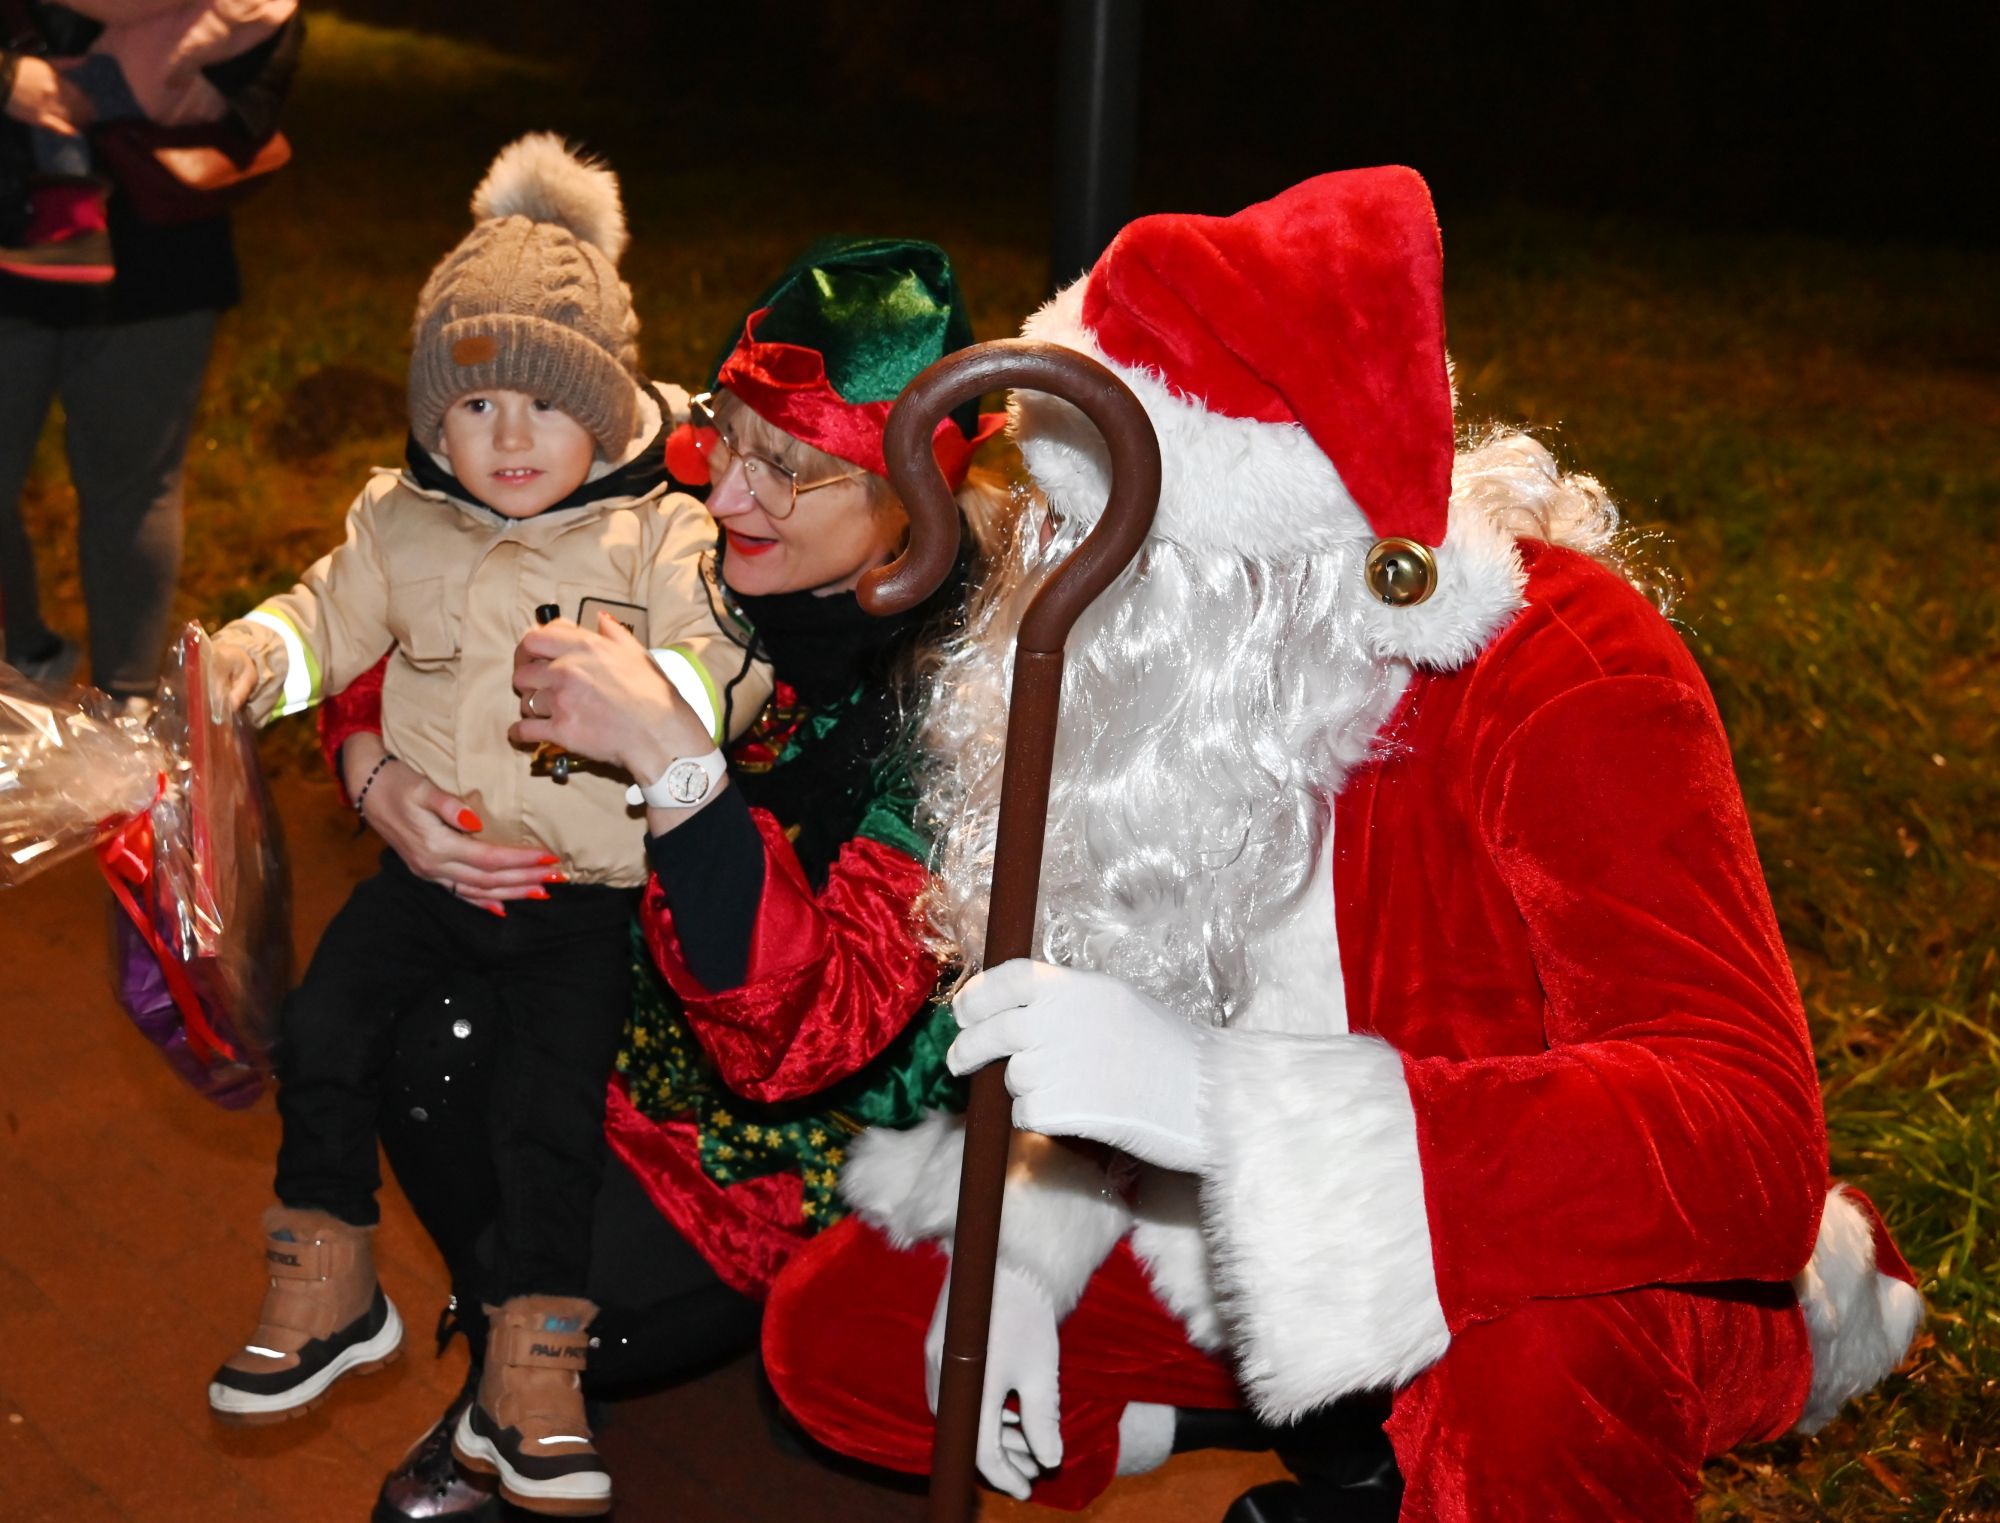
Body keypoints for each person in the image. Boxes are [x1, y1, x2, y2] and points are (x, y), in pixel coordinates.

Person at [760, 167, 1925, 1522]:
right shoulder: (1163, 698)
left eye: (1114, 541)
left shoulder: (1568, 669)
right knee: (852, 1328)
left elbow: (1743, 1140)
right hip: (1247, 1227)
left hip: (1560, 1254)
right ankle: (1328, 1429)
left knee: (1535, 1380)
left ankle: (1407, 1443)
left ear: (1259, 538)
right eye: (1058, 523)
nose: (1065, 585)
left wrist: (1215, 1100)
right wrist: (1028, 1240)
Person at [315, 237, 1029, 1523]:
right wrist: (372, 765)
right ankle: (518, 1365)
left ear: (912, 492)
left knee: (588, 1294)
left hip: (814, 1129)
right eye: (724, 440)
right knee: (411, 1020)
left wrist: (675, 758)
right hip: (626, 1004)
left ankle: (543, 1362)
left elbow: (804, 1039)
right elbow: (419, 580)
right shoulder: (689, 537)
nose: (729, 493)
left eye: (788, 469)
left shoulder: (960, 701)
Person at [203, 134, 766, 1517]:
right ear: (431, 419)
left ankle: (533, 1372)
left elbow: (726, 660)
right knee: (321, 1028)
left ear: (608, 411)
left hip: (578, 897)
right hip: (431, 876)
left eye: (546, 403)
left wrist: (659, 697)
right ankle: (328, 1273)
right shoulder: (401, 522)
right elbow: (324, 617)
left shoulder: (661, 534)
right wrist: (255, 659)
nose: (509, 439)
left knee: (543, 1121)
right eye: (474, 406)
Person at [0, 0, 300, 697]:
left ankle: (126, 711)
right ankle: (27, 656)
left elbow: (264, 59)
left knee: (132, 490)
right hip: (18, 240)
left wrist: (163, 84)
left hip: (157, 247)